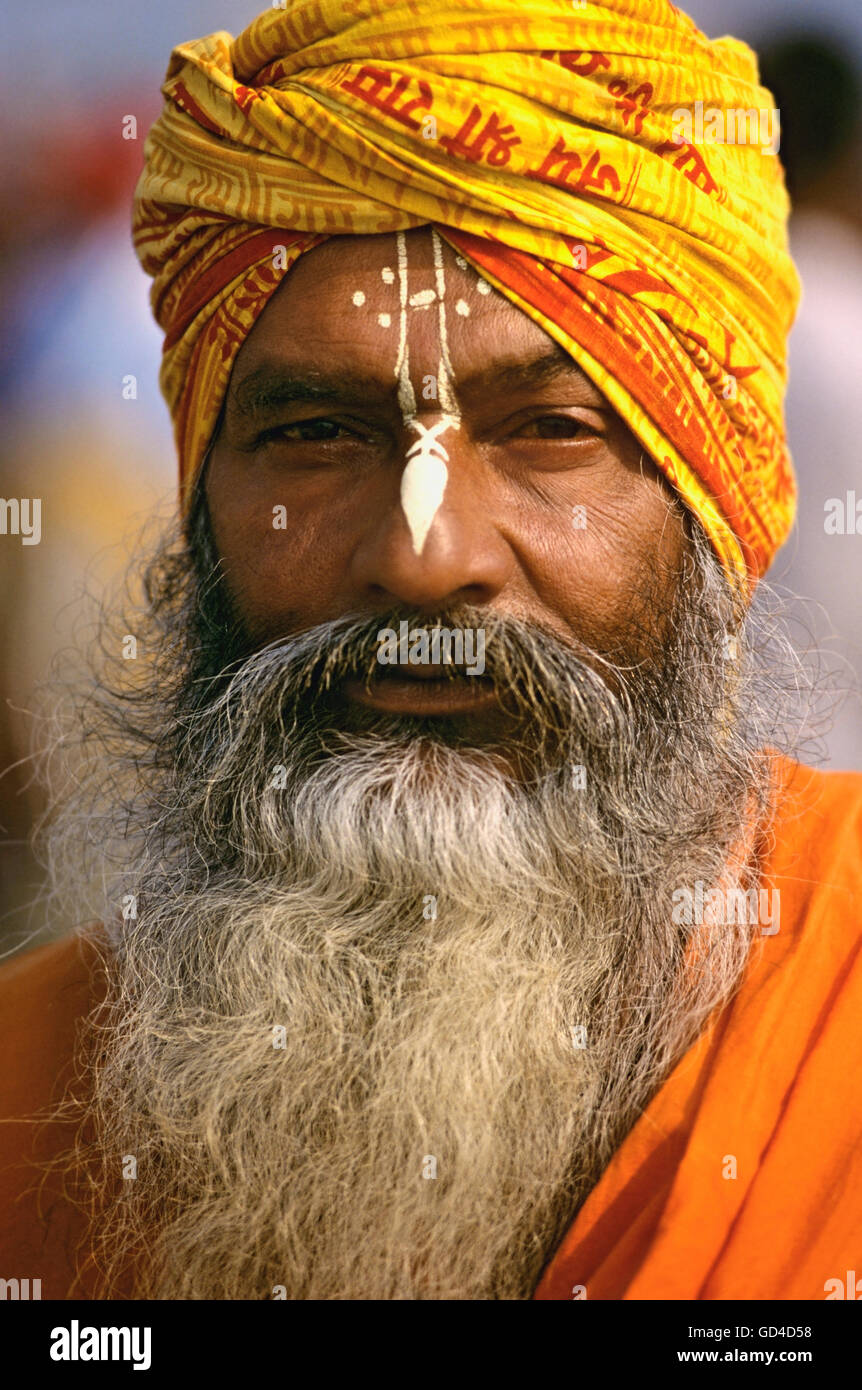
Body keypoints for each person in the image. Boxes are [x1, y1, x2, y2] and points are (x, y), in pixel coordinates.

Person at [1, 0, 860, 1301]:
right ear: (199, 512)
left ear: (713, 520)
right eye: (313, 435)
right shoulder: (27, 1104)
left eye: (549, 429)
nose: (418, 556)